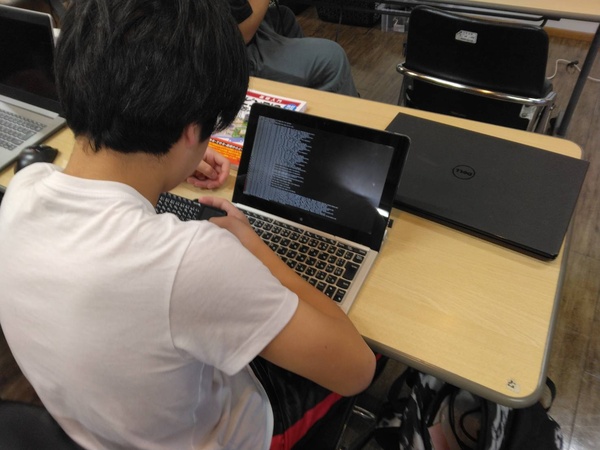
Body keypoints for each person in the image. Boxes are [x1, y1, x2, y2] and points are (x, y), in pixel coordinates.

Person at [0, 1, 376, 449]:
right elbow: (357, 370)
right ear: (191, 131)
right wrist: (254, 247)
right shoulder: (193, 261)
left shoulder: (24, 187)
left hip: (98, 427)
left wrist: (171, 161)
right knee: (363, 347)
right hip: (225, 435)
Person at [229, 0, 359, 97]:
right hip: (230, 55)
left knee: (284, 18)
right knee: (333, 58)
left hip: (234, 33)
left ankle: (303, 104)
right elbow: (242, 34)